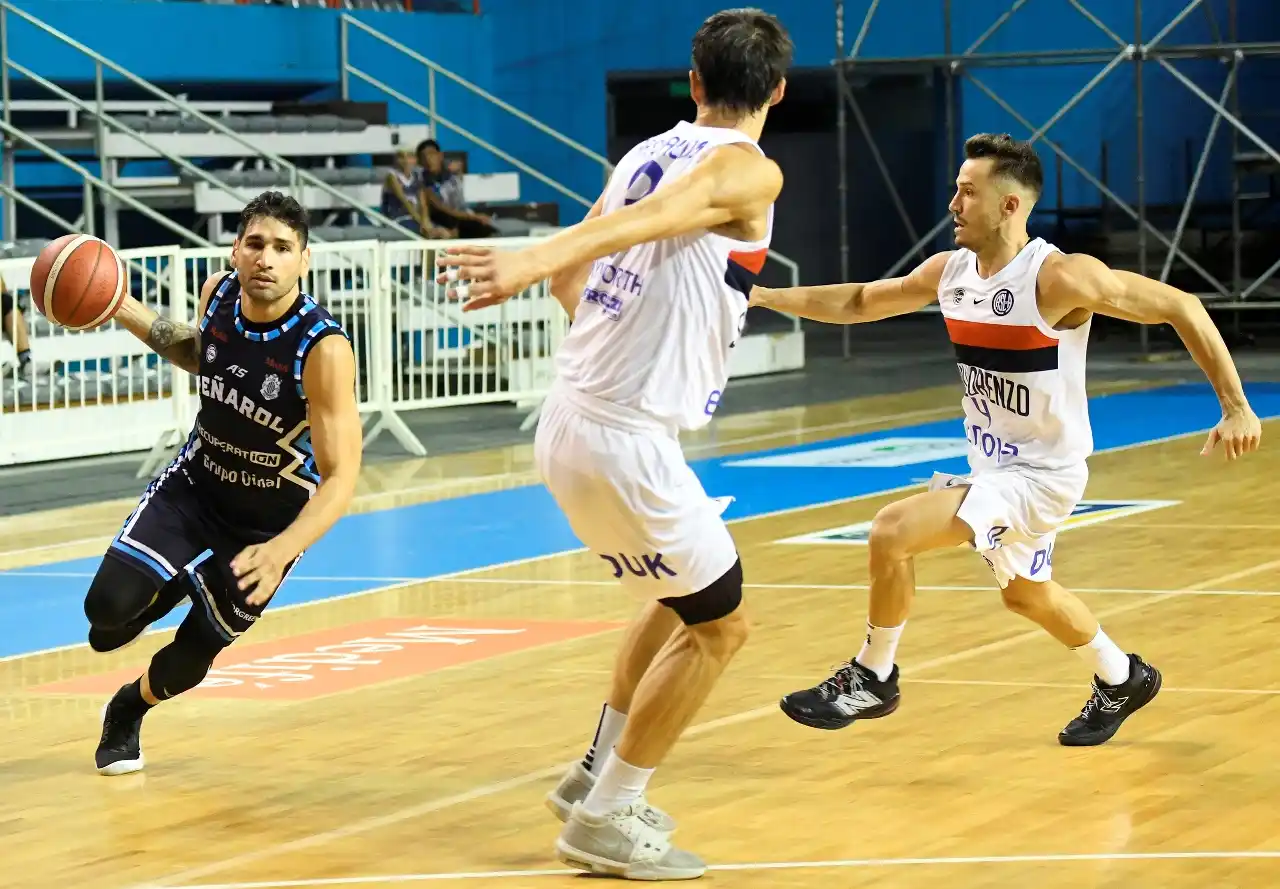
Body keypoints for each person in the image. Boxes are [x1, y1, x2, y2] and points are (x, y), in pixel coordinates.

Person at [751, 132, 1262, 748]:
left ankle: (873, 674)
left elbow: (1181, 304)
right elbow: (860, 300)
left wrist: (1235, 406)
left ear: (1010, 205)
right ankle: (1122, 676)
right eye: (955, 190)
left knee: (892, 532)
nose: (954, 204)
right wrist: (758, 296)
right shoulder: (950, 271)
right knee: (1027, 597)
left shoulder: (1060, 278)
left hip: (1042, 477)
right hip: (994, 469)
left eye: (969, 192)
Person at [435, 8, 791, 879]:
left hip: (576, 417)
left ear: (695, 82)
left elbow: (573, 280)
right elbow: (643, 228)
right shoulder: (750, 171)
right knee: (722, 627)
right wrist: (529, 257)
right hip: (622, 436)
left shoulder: (642, 153)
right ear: (777, 90)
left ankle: (594, 771)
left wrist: (599, 329)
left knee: (680, 599)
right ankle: (608, 812)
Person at [83, 191, 363, 776]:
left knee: (190, 658)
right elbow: (199, 352)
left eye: (283, 248)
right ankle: (167, 586)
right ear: (236, 250)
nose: (266, 258)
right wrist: (121, 306)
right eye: (256, 244)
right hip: (195, 485)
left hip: (266, 528)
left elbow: (341, 479)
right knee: (104, 614)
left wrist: (284, 549)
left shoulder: (323, 349)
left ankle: (127, 708)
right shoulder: (219, 295)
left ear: (303, 261)